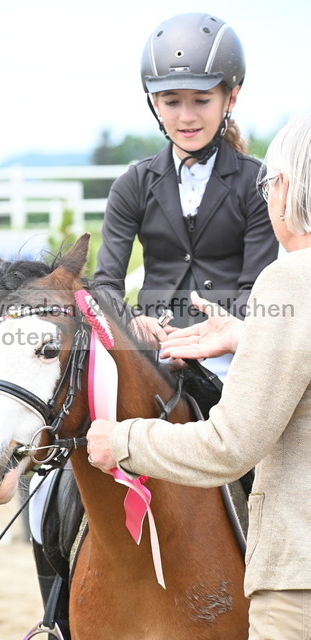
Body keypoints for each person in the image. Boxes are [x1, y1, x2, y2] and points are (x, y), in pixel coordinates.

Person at [87, 112, 311, 639]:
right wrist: (244, 334)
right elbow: (106, 282)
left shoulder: (287, 276)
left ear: (283, 189)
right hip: (165, 348)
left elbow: (231, 446)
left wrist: (122, 441)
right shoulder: (134, 182)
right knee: (55, 507)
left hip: (298, 573)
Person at [94, 11, 278, 382]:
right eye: (172, 101)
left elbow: (255, 286)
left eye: (201, 100)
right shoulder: (132, 184)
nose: (186, 117)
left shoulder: (256, 183)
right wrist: (133, 322)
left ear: (231, 97)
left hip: (229, 353)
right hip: (155, 353)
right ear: (155, 103)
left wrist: (214, 337)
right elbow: (104, 285)